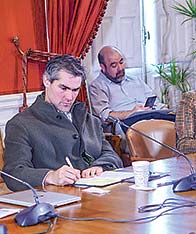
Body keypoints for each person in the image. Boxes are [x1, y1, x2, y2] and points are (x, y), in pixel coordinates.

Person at [3, 55, 122, 191]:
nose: (69, 97)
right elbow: (14, 173)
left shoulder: (90, 120)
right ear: (47, 81)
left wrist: (99, 166)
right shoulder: (21, 124)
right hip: (54, 203)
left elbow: (111, 156)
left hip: (96, 198)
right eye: (63, 88)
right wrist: (50, 176)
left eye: (75, 90)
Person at [88, 46, 174, 125]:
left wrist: (163, 109)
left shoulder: (135, 80)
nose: (120, 68)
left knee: (177, 120)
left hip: (151, 117)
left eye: (121, 62)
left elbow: (154, 102)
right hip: (129, 124)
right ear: (103, 67)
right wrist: (132, 113)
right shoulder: (97, 87)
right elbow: (105, 116)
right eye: (114, 65)